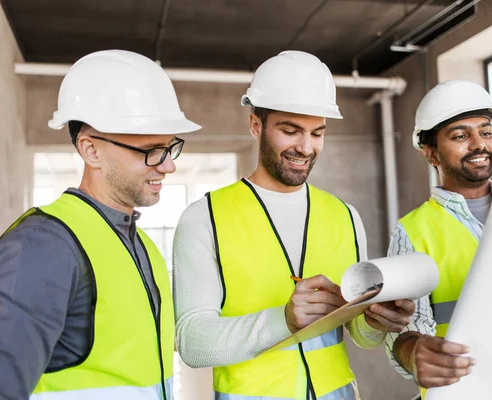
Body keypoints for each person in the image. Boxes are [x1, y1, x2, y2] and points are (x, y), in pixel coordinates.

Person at [173, 50, 415, 400]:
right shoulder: (204, 218)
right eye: (290, 130)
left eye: (317, 133)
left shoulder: (345, 215)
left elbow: (359, 333)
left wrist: (377, 320)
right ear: (256, 125)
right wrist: (282, 320)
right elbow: (192, 343)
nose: (305, 147)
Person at [0, 50, 200, 400]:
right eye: (151, 150)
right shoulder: (44, 246)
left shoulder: (142, 246)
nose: (168, 167)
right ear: (91, 151)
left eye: (170, 148)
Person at [385, 80, 492, 398]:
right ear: (431, 154)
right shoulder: (413, 231)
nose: (479, 144)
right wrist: (413, 353)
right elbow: (404, 329)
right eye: (460, 136)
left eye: (485, 132)